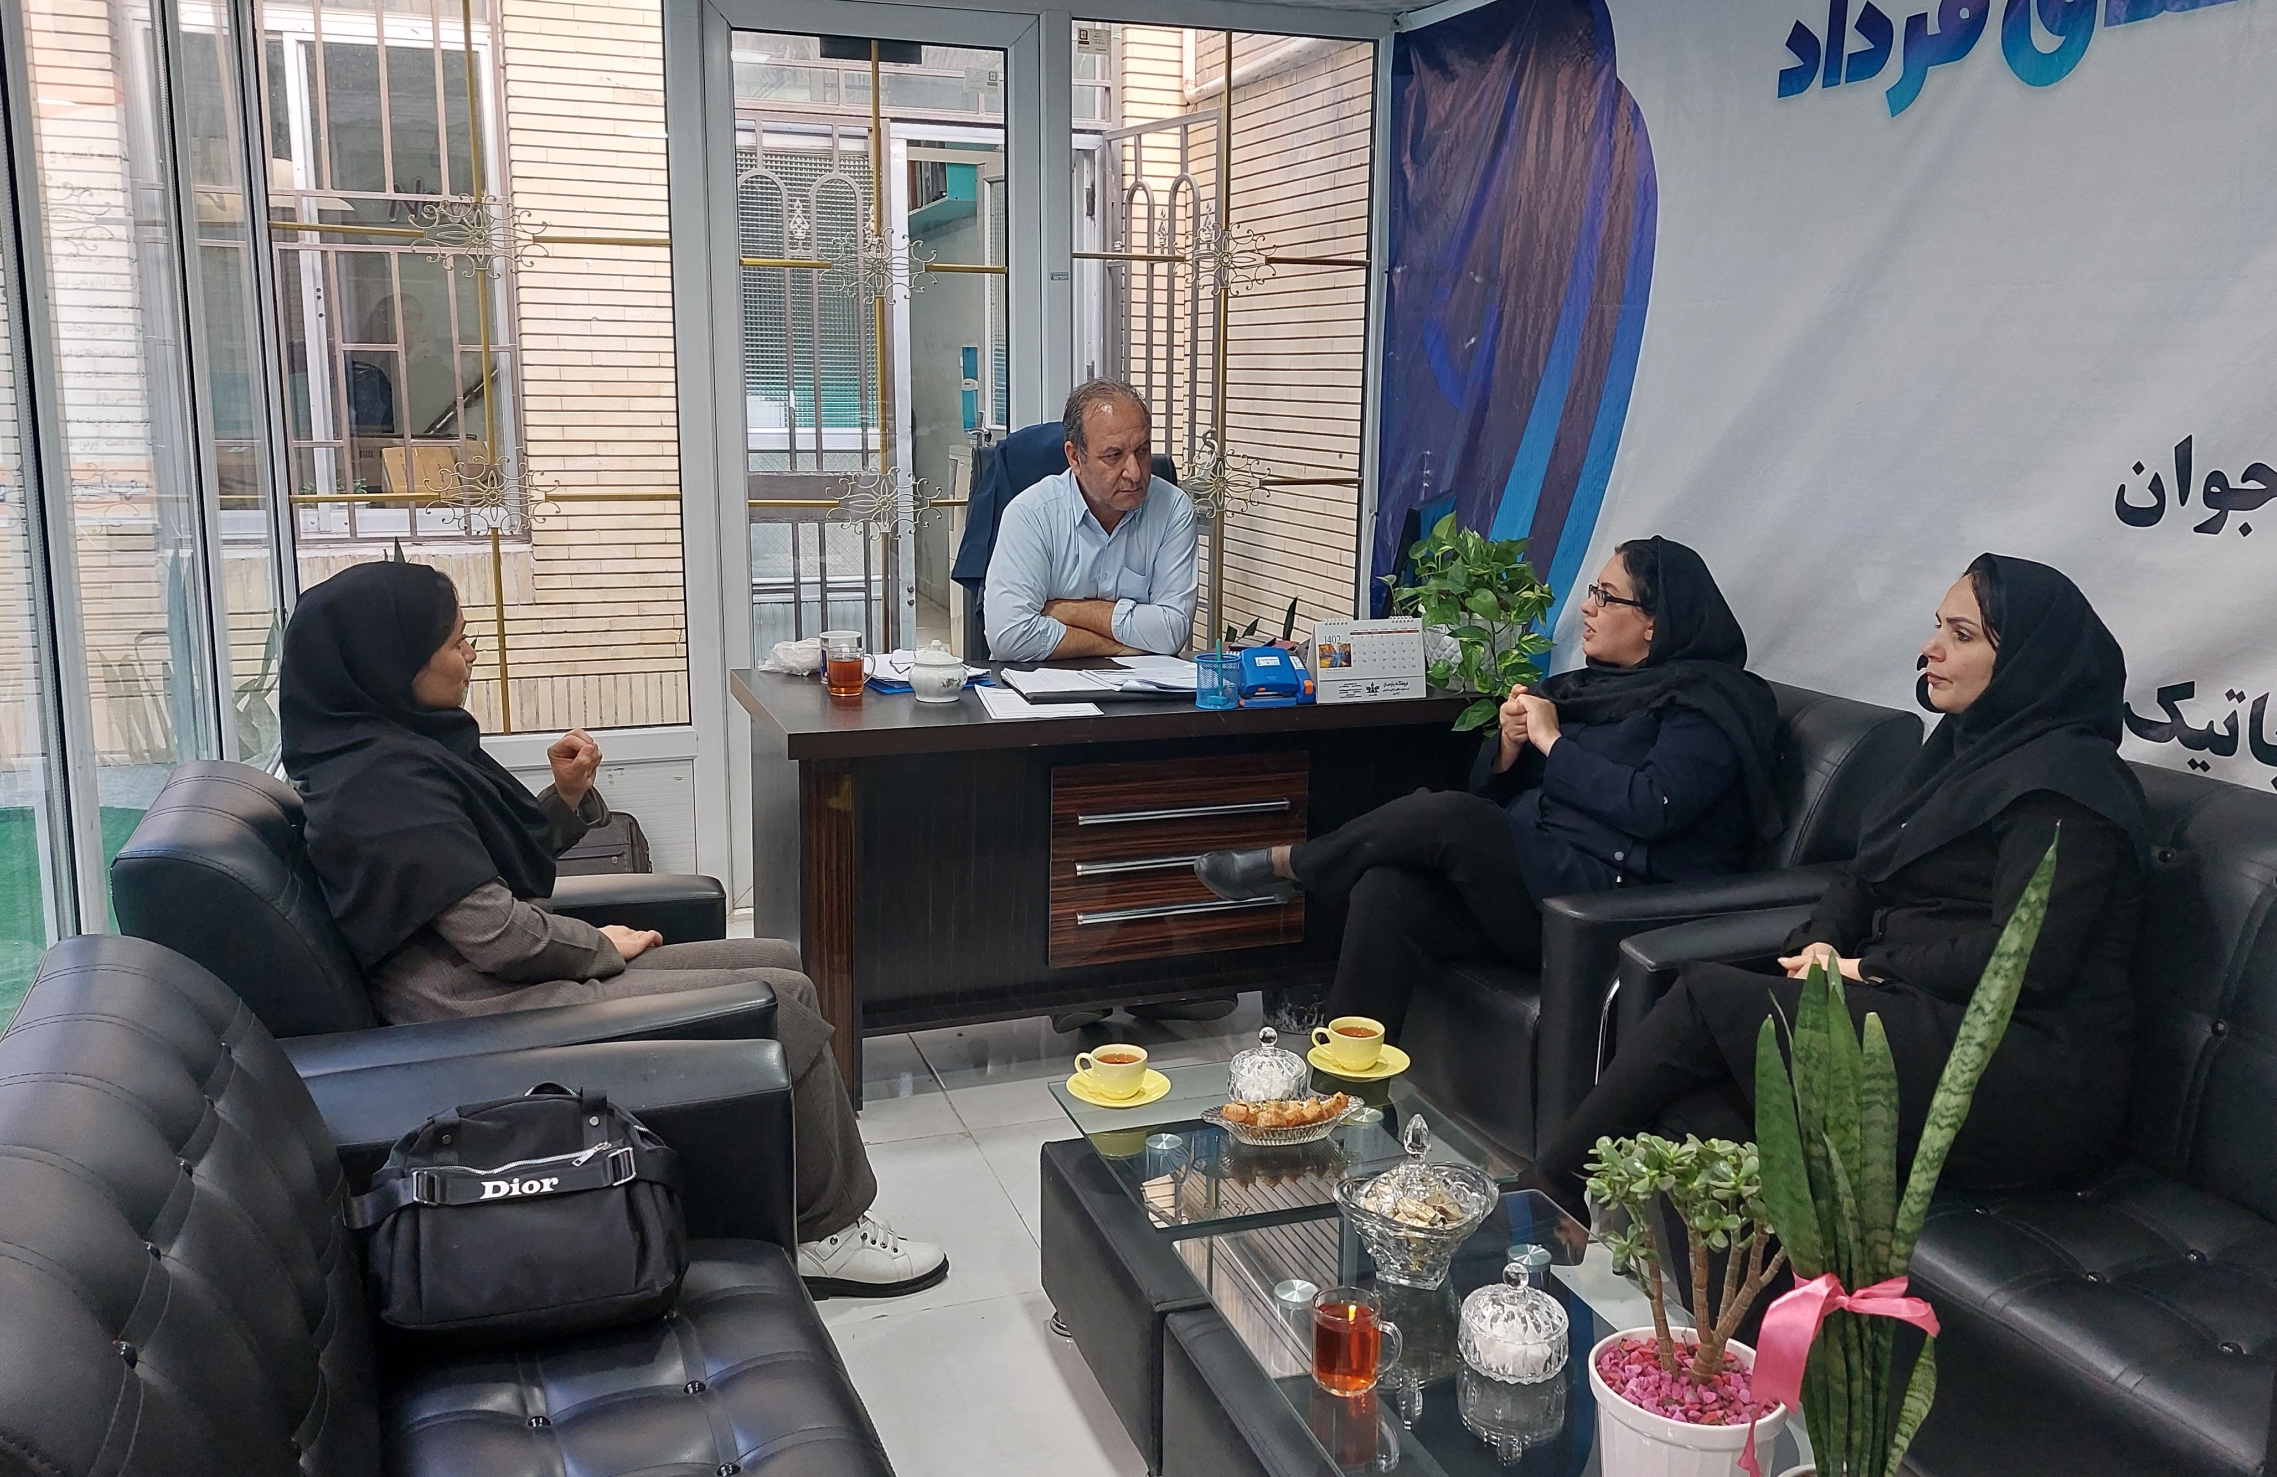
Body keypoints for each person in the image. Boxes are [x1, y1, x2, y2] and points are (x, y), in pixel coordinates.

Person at [279, 558, 947, 1298]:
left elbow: (474, 872)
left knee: (778, 958)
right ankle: (826, 1230)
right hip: (475, 1007)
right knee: (780, 1002)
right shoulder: (381, 786)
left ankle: (799, 1206)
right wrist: (601, 946)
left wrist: (566, 797)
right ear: (393, 661)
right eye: (456, 641)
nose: (471, 655)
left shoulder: (392, 749)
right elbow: (500, 936)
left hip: (488, 977)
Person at [1533, 555, 2151, 1207]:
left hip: (2024, 1068)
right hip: (1919, 1012)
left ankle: (1544, 1200)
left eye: (1962, 635)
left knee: (1706, 998)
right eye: (1939, 626)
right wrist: (1822, 943)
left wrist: (1862, 969)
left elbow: (2024, 961)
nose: (1930, 648)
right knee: (1700, 1119)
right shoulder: (1961, 754)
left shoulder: (2069, 786)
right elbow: (1864, 874)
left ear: (2028, 661)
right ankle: (1631, 1260)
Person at [1195, 537, 1780, 1029]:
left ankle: (1293, 864)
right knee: (1386, 889)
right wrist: (1510, 747)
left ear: (1655, 622)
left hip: (1603, 906)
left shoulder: (1710, 705)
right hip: (1541, 879)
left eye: (1607, 596)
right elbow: (1492, 794)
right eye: (1593, 591)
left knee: (1450, 817)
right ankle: (1345, 1100)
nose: (1587, 606)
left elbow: (1653, 805)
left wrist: (1553, 742)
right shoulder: (1591, 689)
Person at [983, 377, 1198, 664]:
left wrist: (1069, 611)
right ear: (1075, 458)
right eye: (1114, 456)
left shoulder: (1172, 509)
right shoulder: (1032, 514)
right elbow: (1010, 638)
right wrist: (1120, 646)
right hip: (1042, 686)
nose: (1134, 473)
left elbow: (1172, 631)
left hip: (1142, 688)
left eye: (1142, 451)